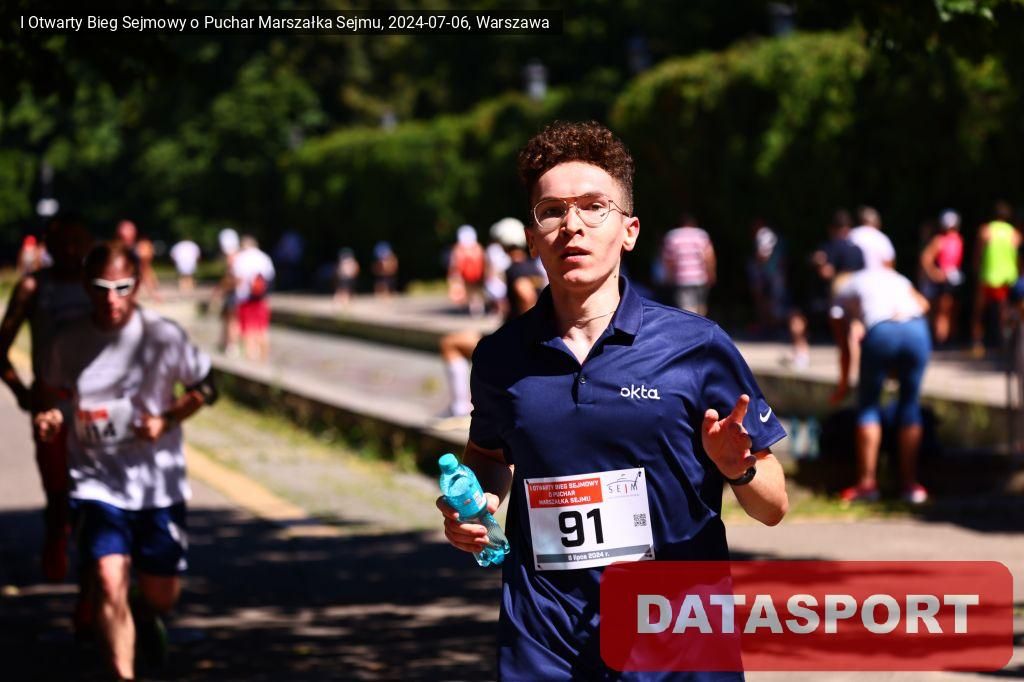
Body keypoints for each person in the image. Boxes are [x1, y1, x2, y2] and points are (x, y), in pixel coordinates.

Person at [435, 121, 788, 680]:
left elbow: (773, 506)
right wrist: (474, 505)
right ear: (532, 238)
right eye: (551, 211)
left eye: (594, 207)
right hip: (544, 638)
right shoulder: (501, 357)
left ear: (629, 231)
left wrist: (737, 469)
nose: (571, 225)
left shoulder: (697, 347)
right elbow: (487, 456)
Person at [32, 241, 217, 680]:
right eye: (101, 288)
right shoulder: (69, 340)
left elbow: (208, 386)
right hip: (96, 482)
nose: (111, 299)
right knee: (107, 577)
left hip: (158, 485)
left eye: (122, 288)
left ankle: (144, 611)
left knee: (161, 596)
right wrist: (50, 416)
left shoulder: (163, 335)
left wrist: (167, 419)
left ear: (137, 285)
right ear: (85, 286)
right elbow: (50, 392)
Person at [0, 215, 93, 582]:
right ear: (48, 247)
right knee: (57, 491)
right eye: (62, 242)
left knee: (98, 492)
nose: (70, 250)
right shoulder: (33, 288)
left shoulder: (99, 286)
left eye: (77, 241)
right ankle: (57, 533)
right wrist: (22, 393)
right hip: (52, 402)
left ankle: (94, 572)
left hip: (97, 405)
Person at [831, 268, 932, 504]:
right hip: (917, 329)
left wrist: (843, 386)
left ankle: (867, 484)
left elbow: (844, 349)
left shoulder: (842, 291)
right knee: (910, 404)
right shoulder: (894, 276)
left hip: (882, 331)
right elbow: (924, 304)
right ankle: (910, 485)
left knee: (868, 405)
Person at [435, 218, 545, 426]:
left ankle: (459, 410)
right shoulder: (534, 267)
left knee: (450, 343)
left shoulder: (514, 269)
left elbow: (525, 294)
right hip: (520, 341)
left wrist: (526, 335)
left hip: (513, 346)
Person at [970, 200, 1021, 357]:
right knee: (1004, 313)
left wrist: (976, 270)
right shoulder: (1015, 234)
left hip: (988, 276)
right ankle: (1005, 344)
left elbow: (977, 255)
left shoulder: (986, 231)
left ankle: (977, 344)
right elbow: (1018, 258)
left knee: (979, 312)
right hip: (1008, 278)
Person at [919, 210, 964, 346]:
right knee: (942, 312)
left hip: (954, 279)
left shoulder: (958, 239)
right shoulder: (939, 240)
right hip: (943, 280)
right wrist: (934, 273)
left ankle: (949, 338)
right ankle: (940, 340)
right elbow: (926, 258)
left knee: (951, 310)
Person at [659, 213, 715, 315]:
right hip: (700, 278)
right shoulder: (701, 235)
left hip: (682, 279)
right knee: (701, 307)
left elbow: (669, 260)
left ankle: (693, 324)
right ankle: (700, 324)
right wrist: (711, 274)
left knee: (687, 310)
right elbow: (709, 258)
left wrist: (669, 277)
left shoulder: (672, 236)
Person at [231, 235, 276, 361]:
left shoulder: (241, 258)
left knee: (248, 330)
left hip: (245, 299)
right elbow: (270, 278)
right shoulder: (265, 257)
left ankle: (250, 358)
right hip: (261, 298)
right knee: (263, 329)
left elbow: (237, 279)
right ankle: (263, 358)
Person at [447, 225, 488, 316]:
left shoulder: (458, 249)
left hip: (466, 275)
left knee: (469, 292)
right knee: (475, 292)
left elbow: (454, 264)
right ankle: (476, 308)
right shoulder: (478, 247)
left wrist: (452, 276)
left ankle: (471, 307)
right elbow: (484, 261)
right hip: (476, 275)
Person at [848, 205, 895, 271]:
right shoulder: (882, 238)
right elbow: (889, 264)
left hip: (853, 274)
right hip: (877, 275)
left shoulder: (851, 234)